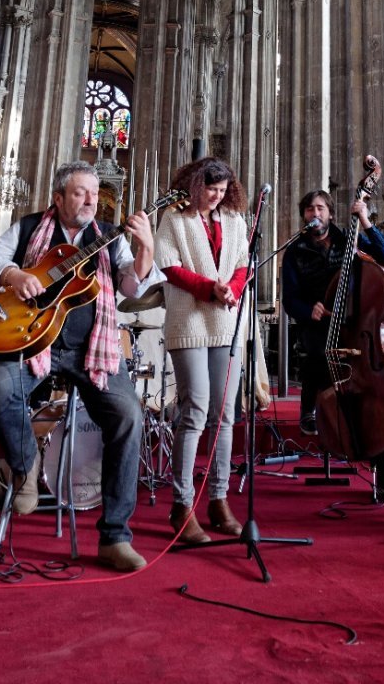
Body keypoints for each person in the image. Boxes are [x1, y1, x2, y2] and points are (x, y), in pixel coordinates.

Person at [0, 160, 162, 573]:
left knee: (129, 415)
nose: (92, 200)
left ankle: (114, 537)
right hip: (29, 343)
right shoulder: (27, 228)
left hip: (91, 350)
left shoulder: (109, 239)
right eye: (80, 193)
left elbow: (132, 286)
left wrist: (145, 247)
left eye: (94, 194)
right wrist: (14, 273)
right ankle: (25, 466)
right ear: (58, 198)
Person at [281, 188, 384, 502]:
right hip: (320, 326)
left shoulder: (348, 239)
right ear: (304, 216)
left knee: (378, 396)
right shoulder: (294, 252)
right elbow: (290, 300)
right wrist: (308, 309)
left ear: (331, 213)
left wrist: (364, 219)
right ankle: (310, 412)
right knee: (316, 355)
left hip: (359, 328)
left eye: (321, 208)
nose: (315, 214)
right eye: (310, 209)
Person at [153, 156, 249, 545]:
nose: (216, 196)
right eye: (211, 189)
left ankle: (219, 499)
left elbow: (244, 261)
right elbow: (169, 265)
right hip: (190, 320)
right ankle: (182, 504)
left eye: (223, 190)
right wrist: (210, 288)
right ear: (195, 185)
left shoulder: (235, 221)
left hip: (228, 321)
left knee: (224, 416)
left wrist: (234, 289)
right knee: (194, 411)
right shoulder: (175, 219)